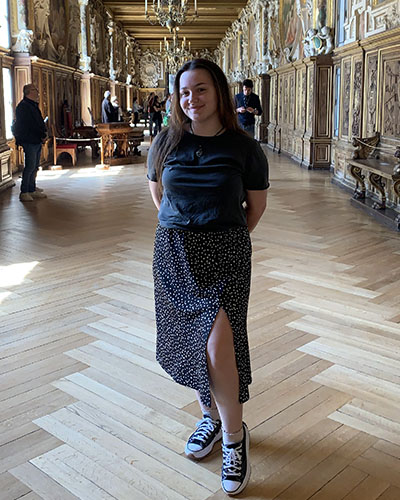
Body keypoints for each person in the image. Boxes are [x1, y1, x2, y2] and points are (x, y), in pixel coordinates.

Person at [147, 59, 269, 496]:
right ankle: (210, 419)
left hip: (227, 253)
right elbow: (158, 196)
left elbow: (255, 208)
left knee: (219, 341)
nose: (191, 99)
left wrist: (223, 235)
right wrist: (184, 227)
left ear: (219, 91)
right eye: (184, 92)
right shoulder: (165, 142)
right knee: (192, 341)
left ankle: (235, 439)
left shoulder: (244, 148)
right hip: (175, 253)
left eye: (200, 89)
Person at [13, 83, 48, 202]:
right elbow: (30, 125)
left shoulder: (32, 105)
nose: (37, 92)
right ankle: (24, 191)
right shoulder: (23, 107)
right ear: (28, 92)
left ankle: (32, 189)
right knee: (30, 166)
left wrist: (43, 134)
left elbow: (38, 122)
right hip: (30, 140)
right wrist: (41, 134)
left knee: (35, 166)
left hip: (36, 139)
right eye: (35, 89)